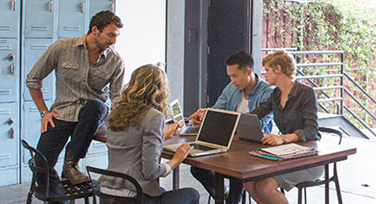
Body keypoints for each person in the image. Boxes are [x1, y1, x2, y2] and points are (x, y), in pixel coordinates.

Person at [26, 10, 124, 203]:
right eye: (110, 35)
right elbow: (33, 79)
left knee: (95, 105)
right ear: (95, 30)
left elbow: (117, 99)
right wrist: (44, 112)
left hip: (94, 114)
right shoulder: (62, 48)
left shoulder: (116, 61)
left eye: (117, 36)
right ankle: (58, 198)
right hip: (63, 112)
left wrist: (122, 126)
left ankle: (71, 165)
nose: (114, 41)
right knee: (41, 163)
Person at [99, 64, 200, 204]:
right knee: (192, 194)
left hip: (107, 193)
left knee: (161, 192)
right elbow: (151, 172)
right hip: (134, 196)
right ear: (160, 90)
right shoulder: (154, 116)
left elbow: (131, 143)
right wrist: (176, 160)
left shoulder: (117, 111)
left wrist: (163, 137)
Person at [189, 51, 273, 204]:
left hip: (254, 147)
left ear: (248, 72)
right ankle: (224, 196)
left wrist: (227, 126)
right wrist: (205, 116)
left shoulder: (267, 93)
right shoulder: (231, 88)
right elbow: (217, 111)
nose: (232, 80)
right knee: (197, 168)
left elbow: (258, 126)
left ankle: (229, 201)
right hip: (230, 143)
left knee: (236, 173)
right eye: (230, 76)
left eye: (235, 76)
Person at [243, 50, 323, 204]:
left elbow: (312, 130)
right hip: (286, 156)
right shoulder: (276, 95)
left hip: (310, 160)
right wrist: (226, 120)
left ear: (277, 69)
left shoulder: (306, 93)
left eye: (267, 70)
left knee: (265, 187)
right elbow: (254, 115)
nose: (265, 75)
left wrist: (283, 138)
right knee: (249, 182)